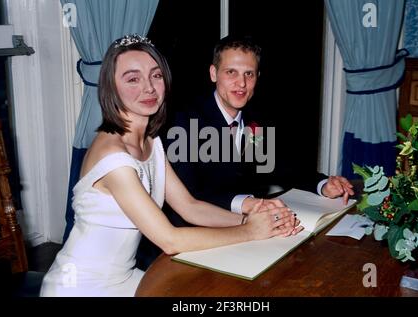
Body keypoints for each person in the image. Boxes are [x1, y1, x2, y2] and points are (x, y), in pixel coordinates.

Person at [40, 34, 302, 297]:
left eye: (155, 76)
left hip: (128, 277)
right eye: (133, 79)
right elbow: (170, 240)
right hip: (81, 287)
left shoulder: (151, 142)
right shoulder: (113, 157)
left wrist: (256, 220)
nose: (148, 88)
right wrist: (248, 231)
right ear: (111, 87)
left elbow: (190, 207)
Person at [158, 35, 354, 226]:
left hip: (247, 228)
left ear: (257, 77)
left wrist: (323, 185)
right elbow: (188, 195)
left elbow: (279, 167)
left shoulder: (255, 118)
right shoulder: (183, 121)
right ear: (213, 73)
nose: (241, 83)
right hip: (194, 232)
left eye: (248, 74)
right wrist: (247, 203)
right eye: (231, 72)